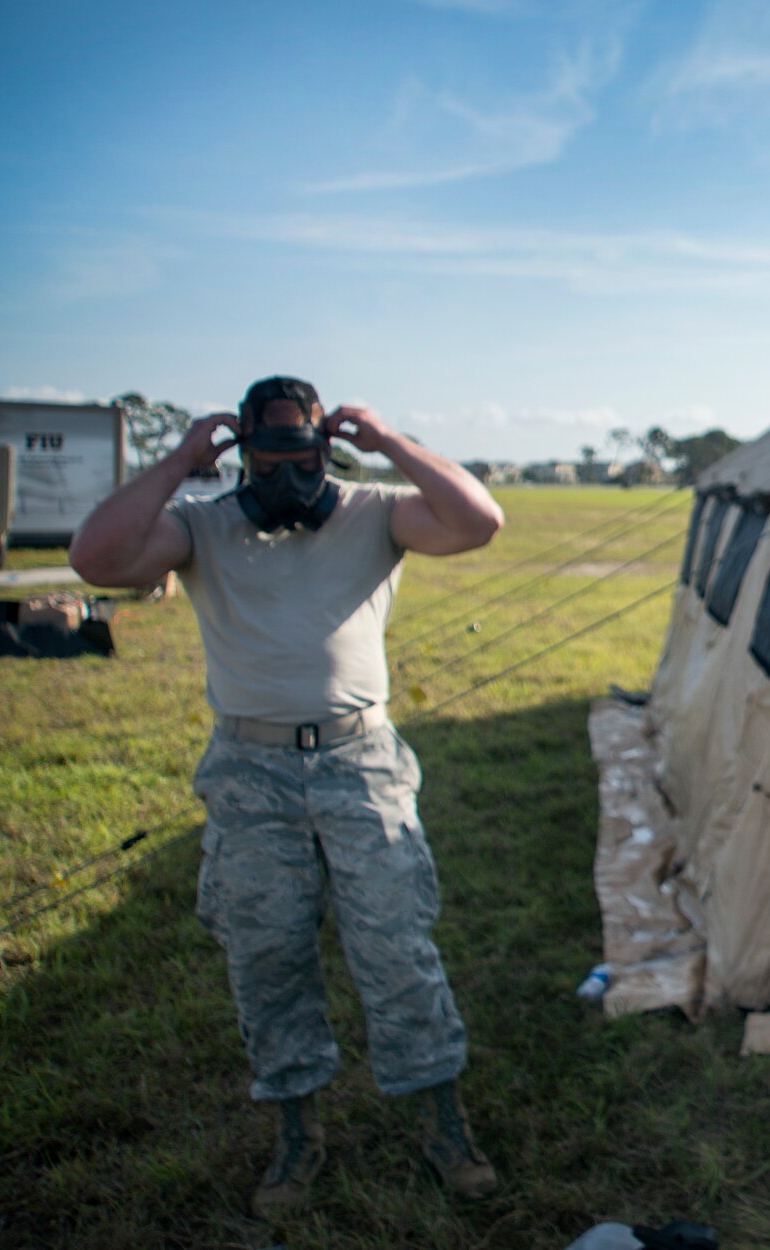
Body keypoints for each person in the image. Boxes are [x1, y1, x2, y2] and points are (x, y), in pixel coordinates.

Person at [70, 377, 506, 1219]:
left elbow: (480, 522)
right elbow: (96, 557)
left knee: (397, 950)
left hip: (360, 761)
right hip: (250, 769)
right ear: (242, 450)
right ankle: (298, 1135)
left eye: (301, 453)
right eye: (267, 454)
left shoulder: (373, 510)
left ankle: (445, 1127)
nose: (286, 472)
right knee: (267, 958)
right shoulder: (200, 523)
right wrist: (182, 461)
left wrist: (390, 442)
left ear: (324, 446)